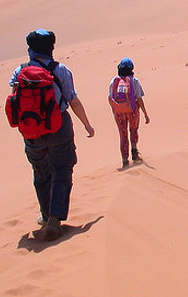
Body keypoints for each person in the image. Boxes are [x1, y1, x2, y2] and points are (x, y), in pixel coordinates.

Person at [9, 28, 95, 242]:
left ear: (30, 49)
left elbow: (14, 100)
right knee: (62, 170)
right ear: (52, 48)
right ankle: (55, 220)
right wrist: (87, 125)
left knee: (40, 172)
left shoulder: (19, 71)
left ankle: (46, 215)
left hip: (31, 129)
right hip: (58, 125)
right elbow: (73, 100)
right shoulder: (61, 70)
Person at [109, 57, 150, 168]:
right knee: (133, 130)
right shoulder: (134, 81)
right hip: (132, 111)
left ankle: (125, 160)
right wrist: (146, 114)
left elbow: (110, 98)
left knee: (123, 135)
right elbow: (139, 98)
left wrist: (116, 109)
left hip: (119, 112)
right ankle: (134, 152)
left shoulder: (114, 81)